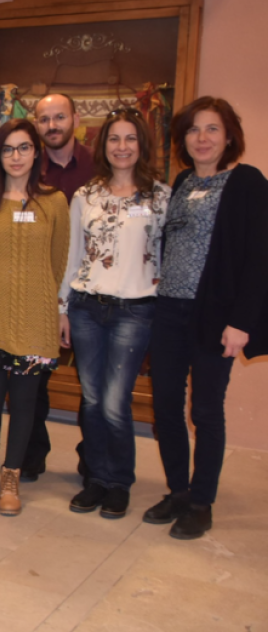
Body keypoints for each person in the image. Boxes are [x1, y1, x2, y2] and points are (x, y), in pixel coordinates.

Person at [144, 97, 268, 539]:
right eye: (194, 130)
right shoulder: (179, 182)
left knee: (206, 410)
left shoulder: (247, 182)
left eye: (212, 129)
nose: (202, 138)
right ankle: (178, 489)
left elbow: (259, 258)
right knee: (164, 406)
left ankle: (200, 501)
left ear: (229, 135)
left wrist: (242, 322)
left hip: (215, 315)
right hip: (169, 310)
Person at [58, 109, 169, 520]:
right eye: (114, 140)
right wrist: (62, 309)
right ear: (103, 146)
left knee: (115, 402)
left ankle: (119, 481)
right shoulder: (86, 196)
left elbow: (163, 259)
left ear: (141, 145)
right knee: (90, 400)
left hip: (135, 312)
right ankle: (96, 480)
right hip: (87, 307)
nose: (122, 147)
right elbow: (72, 257)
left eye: (130, 139)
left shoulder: (160, 197)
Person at [0, 118, 69, 516]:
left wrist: (49, 305)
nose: (16, 156)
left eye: (24, 148)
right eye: (8, 149)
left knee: (25, 403)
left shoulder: (54, 201)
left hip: (35, 319)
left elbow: (59, 263)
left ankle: (11, 476)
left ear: (36, 153)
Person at [26, 93, 96, 482]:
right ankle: (32, 456)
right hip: (38, 291)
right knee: (33, 384)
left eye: (59, 117)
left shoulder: (98, 167)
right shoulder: (26, 167)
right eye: (44, 119)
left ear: (75, 118)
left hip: (89, 293)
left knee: (92, 387)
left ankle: (92, 461)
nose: (52, 125)